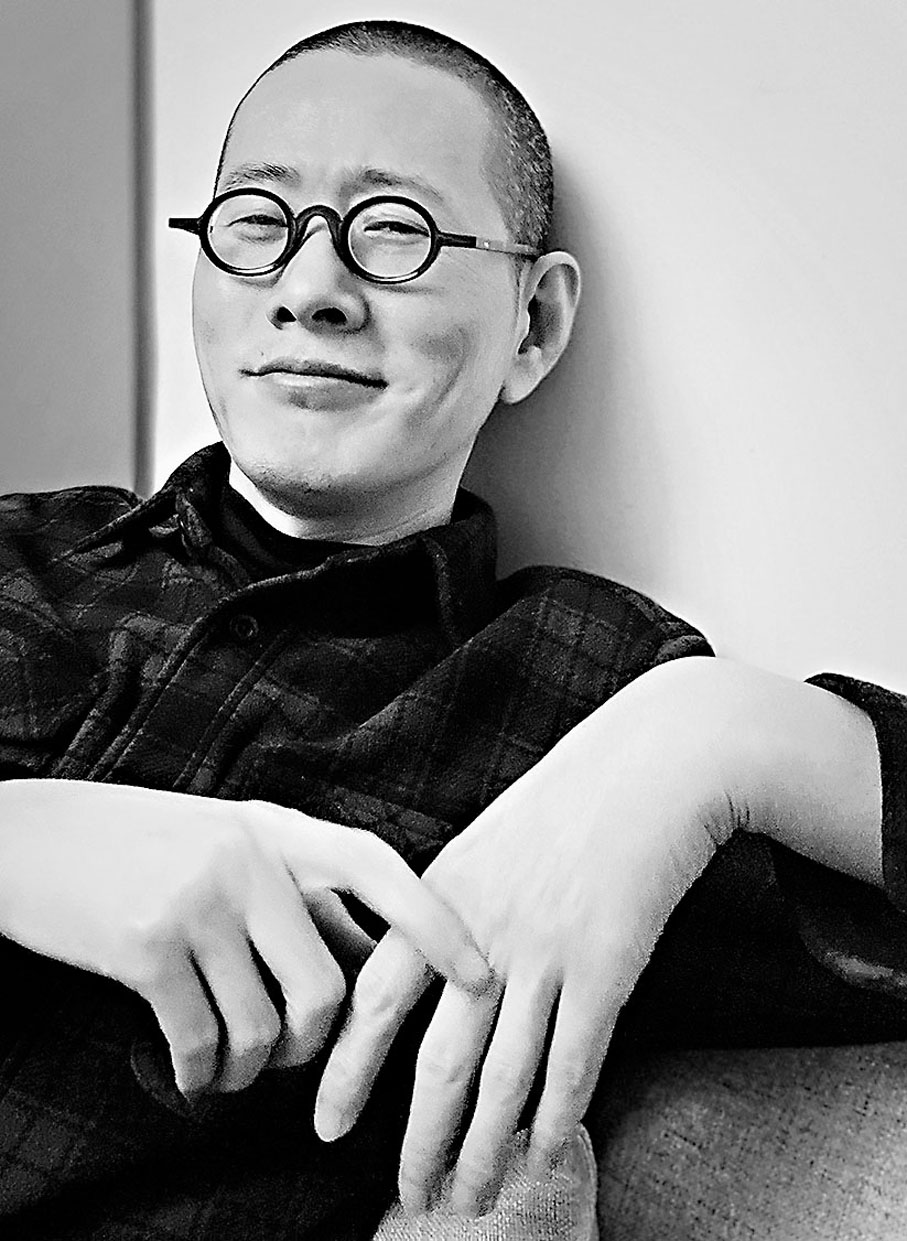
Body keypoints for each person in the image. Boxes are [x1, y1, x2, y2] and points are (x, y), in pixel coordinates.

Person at [1, 17, 905, 1240]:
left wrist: (716, 731)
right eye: (257, 221)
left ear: (532, 325)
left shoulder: (576, 695)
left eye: (395, 232)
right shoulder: (21, 553)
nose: (309, 291)